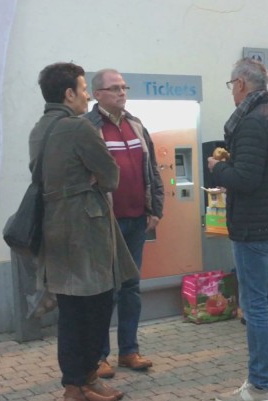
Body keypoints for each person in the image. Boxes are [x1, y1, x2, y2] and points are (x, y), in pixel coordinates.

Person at [30, 62, 137, 401]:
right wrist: (91, 179)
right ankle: (78, 386)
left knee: (71, 314)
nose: (88, 95)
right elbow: (110, 176)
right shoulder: (78, 128)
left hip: (54, 231)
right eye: (83, 88)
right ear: (69, 94)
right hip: (87, 232)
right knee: (94, 310)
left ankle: (82, 383)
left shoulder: (39, 129)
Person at [209, 58, 268, 401]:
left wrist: (218, 169)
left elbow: (245, 179)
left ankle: (259, 386)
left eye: (231, 84)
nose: (231, 90)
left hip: (255, 227)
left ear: (242, 85)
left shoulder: (252, 123)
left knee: (255, 306)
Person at [84, 69, 165, 378]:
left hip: (136, 220)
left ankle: (129, 351)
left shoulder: (136, 125)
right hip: (104, 222)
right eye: (114, 88)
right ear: (98, 94)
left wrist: (155, 209)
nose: (121, 92)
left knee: (131, 288)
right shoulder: (88, 128)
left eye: (123, 87)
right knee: (104, 290)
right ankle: (99, 356)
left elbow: (152, 170)